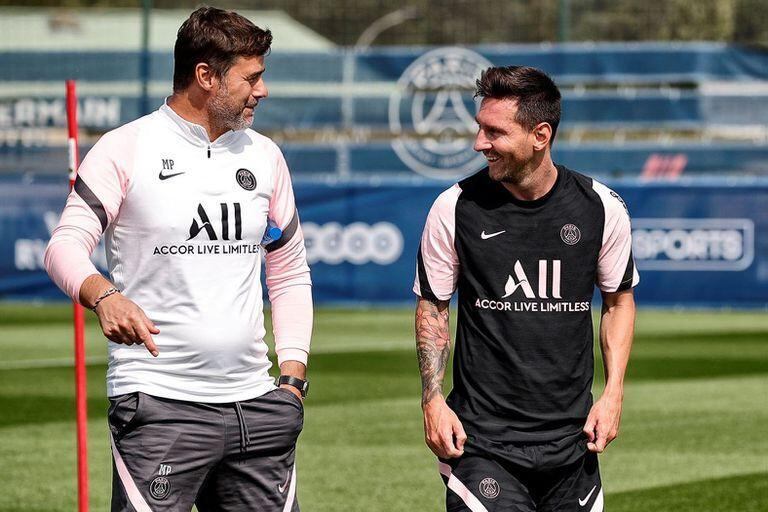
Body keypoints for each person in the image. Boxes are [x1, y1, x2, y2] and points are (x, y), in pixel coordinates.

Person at [45, 7, 311, 511]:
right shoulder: (125, 148)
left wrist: (292, 380)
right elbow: (63, 245)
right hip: (159, 405)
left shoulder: (265, 156)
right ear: (205, 76)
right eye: (251, 78)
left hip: (257, 407)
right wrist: (104, 296)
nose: (263, 90)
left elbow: (290, 271)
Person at [414, 66, 638, 511]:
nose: (479, 144)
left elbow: (618, 302)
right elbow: (433, 308)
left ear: (540, 134)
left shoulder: (602, 208)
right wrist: (433, 399)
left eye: (494, 132)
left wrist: (613, 395)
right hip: (480, 443)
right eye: (480, 129)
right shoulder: (454, 207)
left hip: (574, 445)